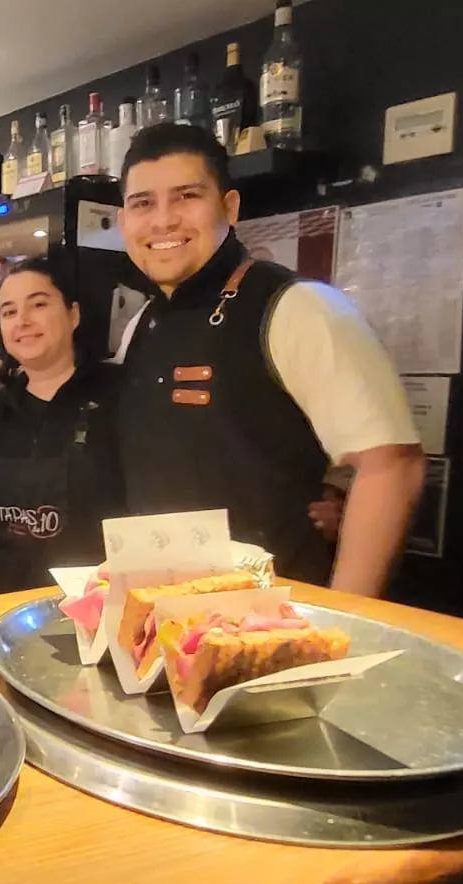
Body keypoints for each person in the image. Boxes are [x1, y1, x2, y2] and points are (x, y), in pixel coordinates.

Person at [115, 124, 423, 596]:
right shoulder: (142, 322)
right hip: (158, 609)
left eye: (186, 196)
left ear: (230, 207)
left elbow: (392, 466)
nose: (163, 220)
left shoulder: (299, 306)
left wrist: (346, 621)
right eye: (143, 203)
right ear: (124, 221)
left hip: (273, 619)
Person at [0, 256, 124, 594]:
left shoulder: (121, 396)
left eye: (38, 304)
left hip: (98, 606)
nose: (22, 321)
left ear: (73, 315)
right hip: (2, 605)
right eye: (9, 312)